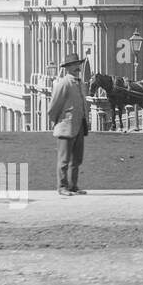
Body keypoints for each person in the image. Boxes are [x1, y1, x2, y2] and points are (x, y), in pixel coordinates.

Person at [48, 52, 90, 196]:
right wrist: (59, 122)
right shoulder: (64, 83)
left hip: (79, 126)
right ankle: (62, 187)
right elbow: (53, 106)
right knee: (64, 159)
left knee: (77, 159)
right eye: (74, 65)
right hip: (66, 126)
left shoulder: (80, 83)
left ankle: (73, 186)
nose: (77, 67)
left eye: (78, 64)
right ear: (68, 68)